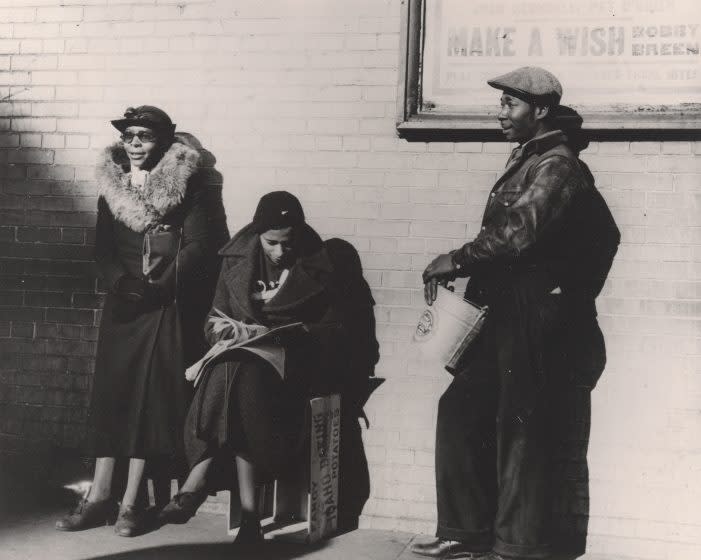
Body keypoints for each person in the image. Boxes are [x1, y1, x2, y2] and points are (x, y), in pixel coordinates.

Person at [412, 67, 619, 560]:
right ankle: (464, 533)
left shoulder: (558, 165)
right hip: (502, 307)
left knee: (522, 428)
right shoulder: (531, 158)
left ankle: (518, 547)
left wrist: (456, 259)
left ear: (541, 109)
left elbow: (519, 232)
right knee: (462, 412)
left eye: (511, 104)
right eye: (502, 103)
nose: (501, 112)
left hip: (533, 313)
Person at [156, 191, 379, 541]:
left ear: (300, 235)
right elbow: (212, 319)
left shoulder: (321, 263)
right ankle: (246, 520)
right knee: (237, 374)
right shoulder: (236, 260)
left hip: (300, 369)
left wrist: (289, 335)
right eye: (271, 243)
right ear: (258, 234)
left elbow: (336, 330)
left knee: (236, 375)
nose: (279, 252)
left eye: (287, 244)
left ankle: (198, 484)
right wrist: (228, 330)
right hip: (247, 371)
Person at [56, 106, 227, 537]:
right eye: (129, 135)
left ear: (163, 143)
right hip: (124, 307)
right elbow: (102, 251)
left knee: (145, 404)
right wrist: (119, 284)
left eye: (145, 136)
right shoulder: (110, 188)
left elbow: (200, 247)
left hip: (162, 309)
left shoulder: (189, 191)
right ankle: (98, 498)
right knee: (110, 400)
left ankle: (131, 502)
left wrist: (161, 287)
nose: (134, 143)